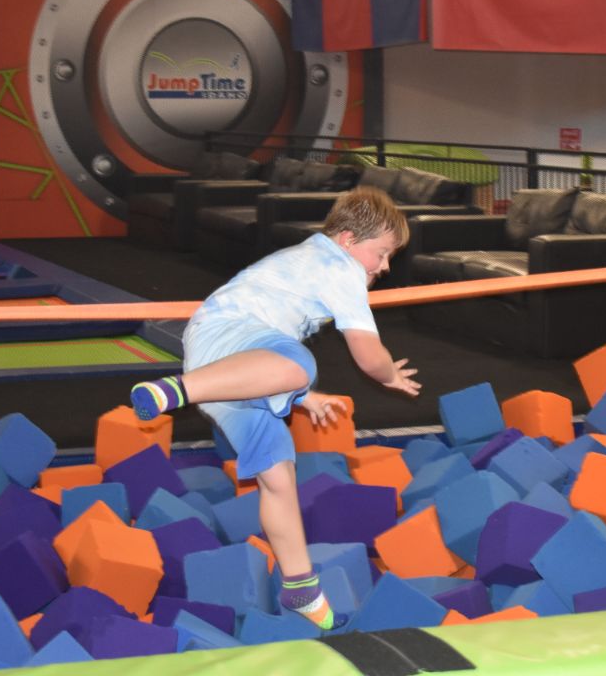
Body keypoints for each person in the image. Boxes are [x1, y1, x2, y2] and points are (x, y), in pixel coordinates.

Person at [128, 186, 420, 630]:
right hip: (226, 337)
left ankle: (300, 585)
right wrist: (388, 376)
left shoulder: (308, 262)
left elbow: (262, 361)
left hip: (227, 366)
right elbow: (367, 353)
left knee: (278, 472)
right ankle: (176, 391)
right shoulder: (338, 267)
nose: (384, 266)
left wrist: (303, 397)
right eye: (381, 254)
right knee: (300, 364)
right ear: (347, 241)